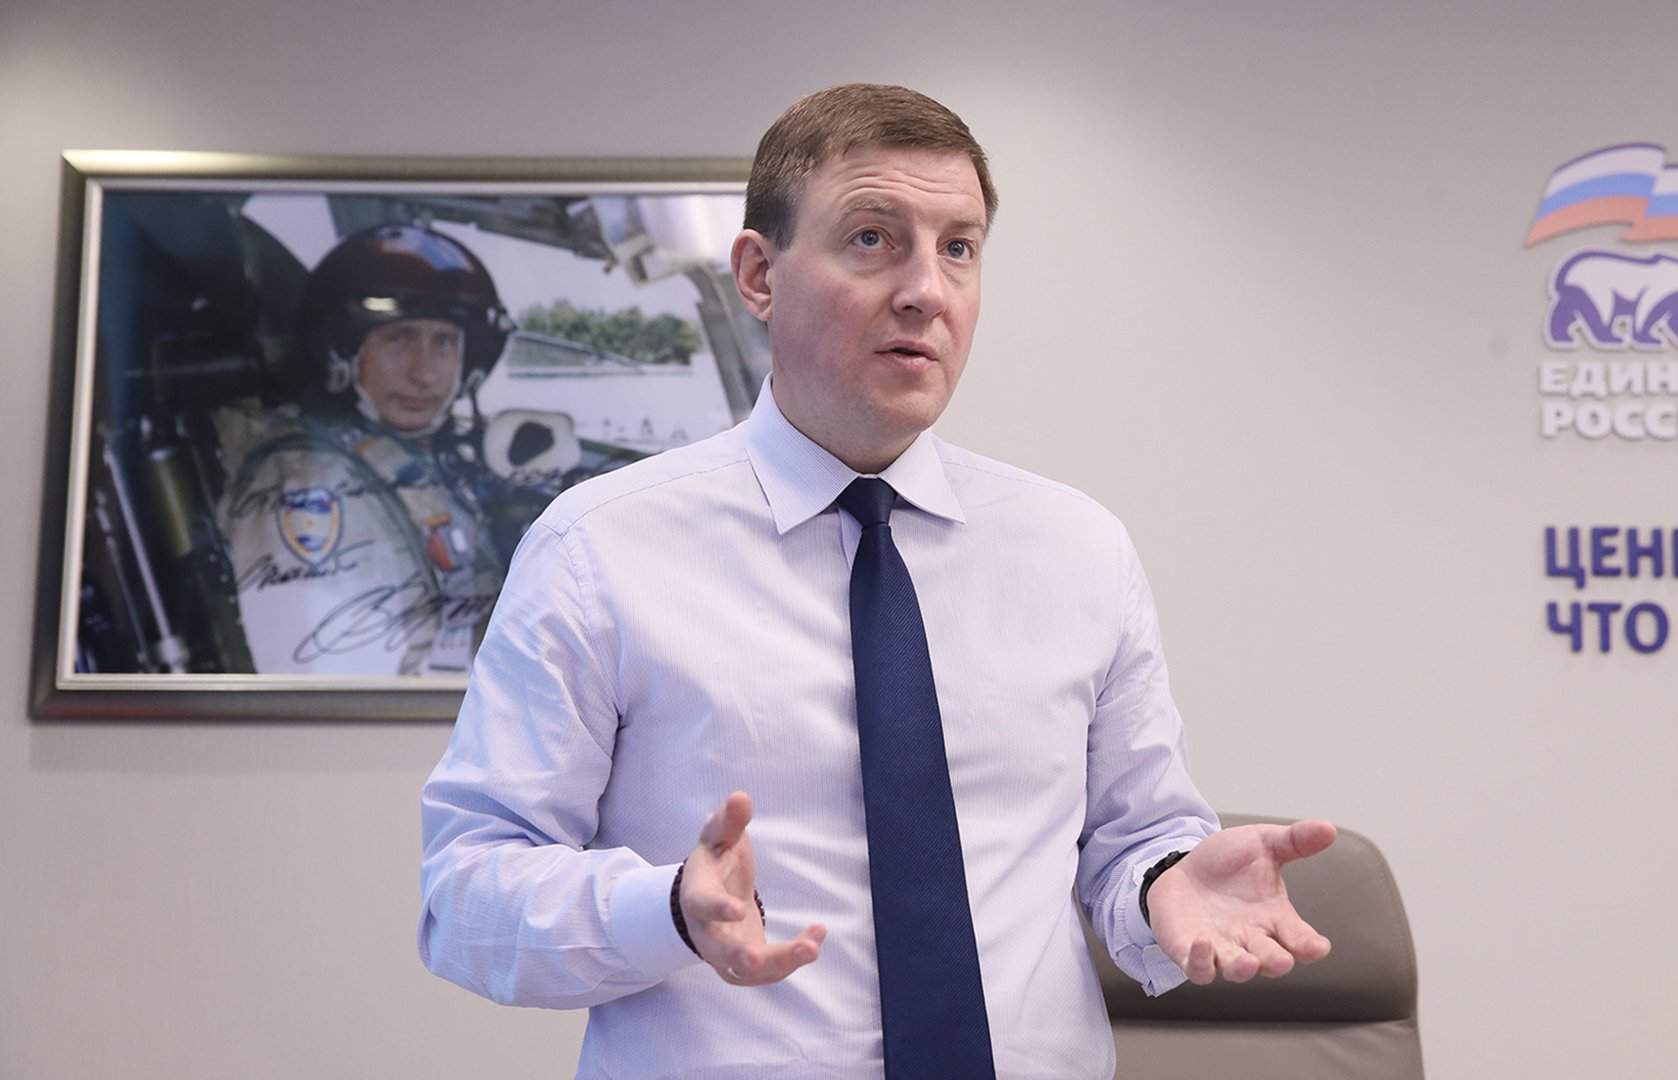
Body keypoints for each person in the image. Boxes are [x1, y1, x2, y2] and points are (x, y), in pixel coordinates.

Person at [418, 84, 1336, 1080]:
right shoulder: (599, 549)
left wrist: (1164, 882)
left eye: (959, 247)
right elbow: (464, 894)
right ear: (759, 275)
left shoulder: (1078, 550)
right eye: (872, 240)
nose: (926, 291)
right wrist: (666, 908)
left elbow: (1136, 837)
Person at [213, 223, 514, 675]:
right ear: (341, 353)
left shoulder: (411, 455)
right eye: (398, 339)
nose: (424, 373)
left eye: (444, 342)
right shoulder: (305, 482)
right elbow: (338, 683)